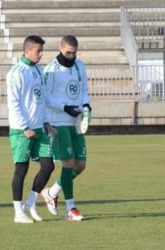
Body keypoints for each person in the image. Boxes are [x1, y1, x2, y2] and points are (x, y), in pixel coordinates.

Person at [41, 35, 91, 221]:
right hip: (59, 122)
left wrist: (86, 105)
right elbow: (46, 97)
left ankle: (52, 192)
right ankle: (71, 209)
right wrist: (64, 108)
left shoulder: (80, 66)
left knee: (80, 165)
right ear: (61, 49)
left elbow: (84, 89)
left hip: (76, 122)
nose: (71, 56)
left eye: (74, 53)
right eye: (68, 52)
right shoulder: (51, 70)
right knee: (68, 163)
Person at [7, 35, 56, 223]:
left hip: (39, 128)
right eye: (38, 51)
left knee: (48, 166)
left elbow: (40, 100)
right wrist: (25, 126)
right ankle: (18, 212)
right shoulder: (16, 73)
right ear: (27, 51)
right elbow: (13, 103)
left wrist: (46, 122)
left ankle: (30, 203)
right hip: (22, 131)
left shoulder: (38, 70)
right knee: (21, 169)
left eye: (42, 50)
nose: (41, 54)